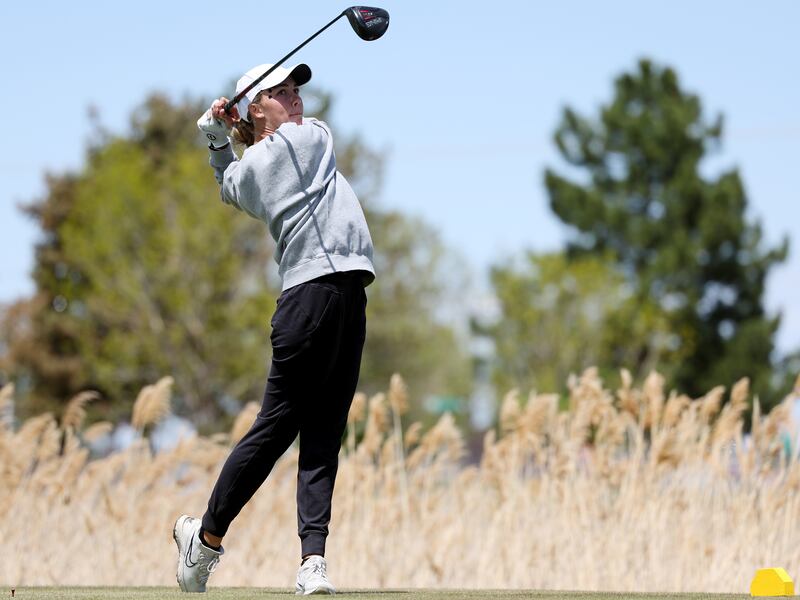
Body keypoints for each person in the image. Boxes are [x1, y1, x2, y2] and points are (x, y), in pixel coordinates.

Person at [173, 62, 375, 595]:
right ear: (256, 110)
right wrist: (225, 130)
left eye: (296, 89)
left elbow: (228, 184)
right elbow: (254, 163)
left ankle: (310, 562)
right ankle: (207, 536)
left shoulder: (247, 170)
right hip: (311, 297)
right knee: (278, 429)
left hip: (346, 294)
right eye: (280, 93)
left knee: (324, 430)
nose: (295, 98)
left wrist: (216, 137)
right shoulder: (308, 140)